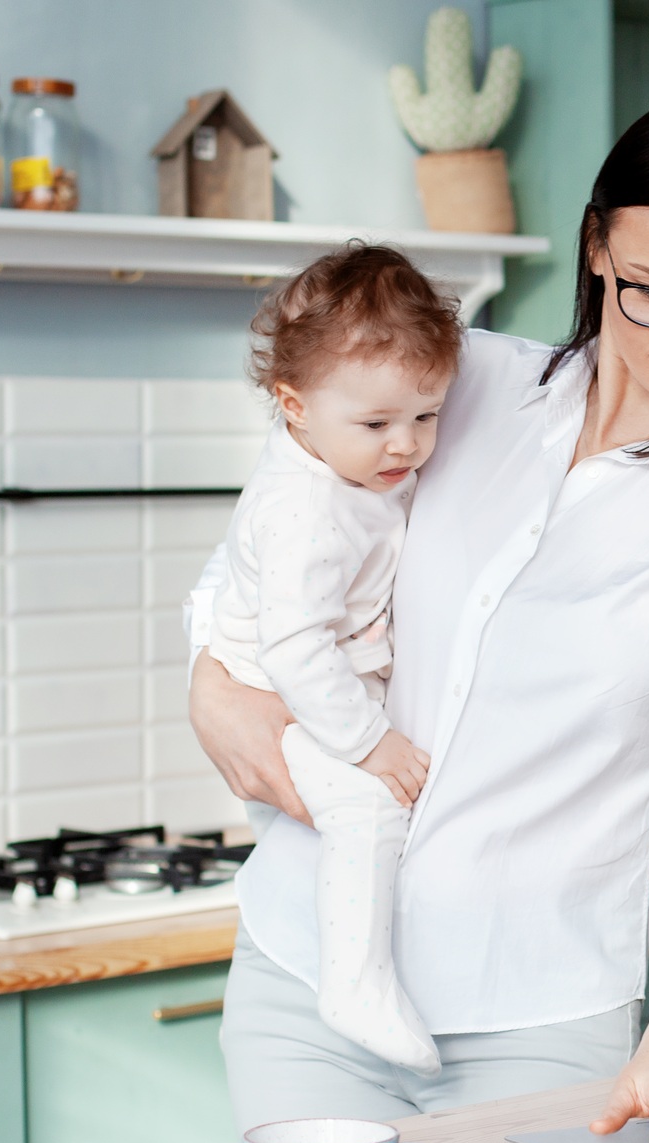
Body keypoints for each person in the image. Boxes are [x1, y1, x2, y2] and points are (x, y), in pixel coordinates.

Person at [187, 99, 649, 1143]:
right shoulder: (456, 389)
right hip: (303, 984)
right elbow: (274, 549)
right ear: (597, 250)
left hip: (539, 1024)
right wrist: (210, 682)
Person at [207, 244, 461, 1075]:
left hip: (314, 680)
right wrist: (368, 743)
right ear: (295, 406)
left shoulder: (350, 465)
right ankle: (352, 983)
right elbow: (296, 648)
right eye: (379, 424)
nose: (408, 445)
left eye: (427, 416)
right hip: (279, 689)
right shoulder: (304, 512)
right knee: (367, 810)